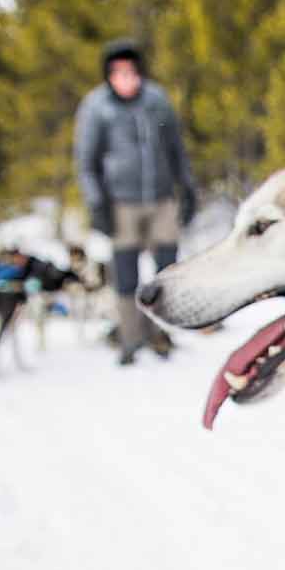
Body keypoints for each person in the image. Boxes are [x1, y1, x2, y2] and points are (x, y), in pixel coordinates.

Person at [73, 38, 197, 365]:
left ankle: (160, 333)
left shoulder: (156, 101)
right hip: (121, 203)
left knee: (166, 269)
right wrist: (96, 202)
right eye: (118, 72)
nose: (126, 77)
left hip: (160, 198)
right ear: (109, 75)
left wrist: (187, 186)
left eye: (131, 71)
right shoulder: (97, 107)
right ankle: (130, 338)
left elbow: (176, 149)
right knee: (125, 274)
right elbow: (86, 161)